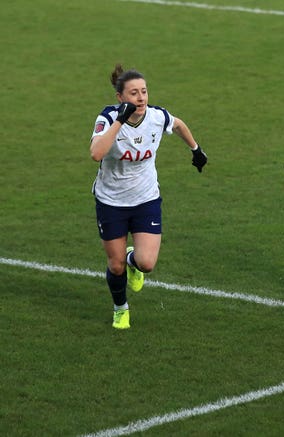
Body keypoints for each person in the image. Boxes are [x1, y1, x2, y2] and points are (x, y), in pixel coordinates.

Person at [90, 64, 208, 330]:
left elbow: (177, 124)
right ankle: (120, 308)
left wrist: (196, 149)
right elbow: (96, 153)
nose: (141, 98)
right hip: (111, 202)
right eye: (134, 93)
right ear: (120, 97)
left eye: (144, 91)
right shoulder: (108, 119)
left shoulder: (156, 117)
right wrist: (120, 120)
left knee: (146, 263)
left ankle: (133, 259)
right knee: (115, 266)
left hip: (146, 199)